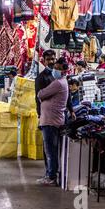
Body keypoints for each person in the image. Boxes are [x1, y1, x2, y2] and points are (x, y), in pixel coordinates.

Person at [37, 57, 70, 186]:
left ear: (63, 71)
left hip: (51, 121)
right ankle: (51, 175)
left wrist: (43, 97)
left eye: (57, 68)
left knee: (50, 151)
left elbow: (41, 94)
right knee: (52, 150)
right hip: (54, 120)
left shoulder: (58, 83)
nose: (54, 70)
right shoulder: (62, 82)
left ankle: (51, 177)